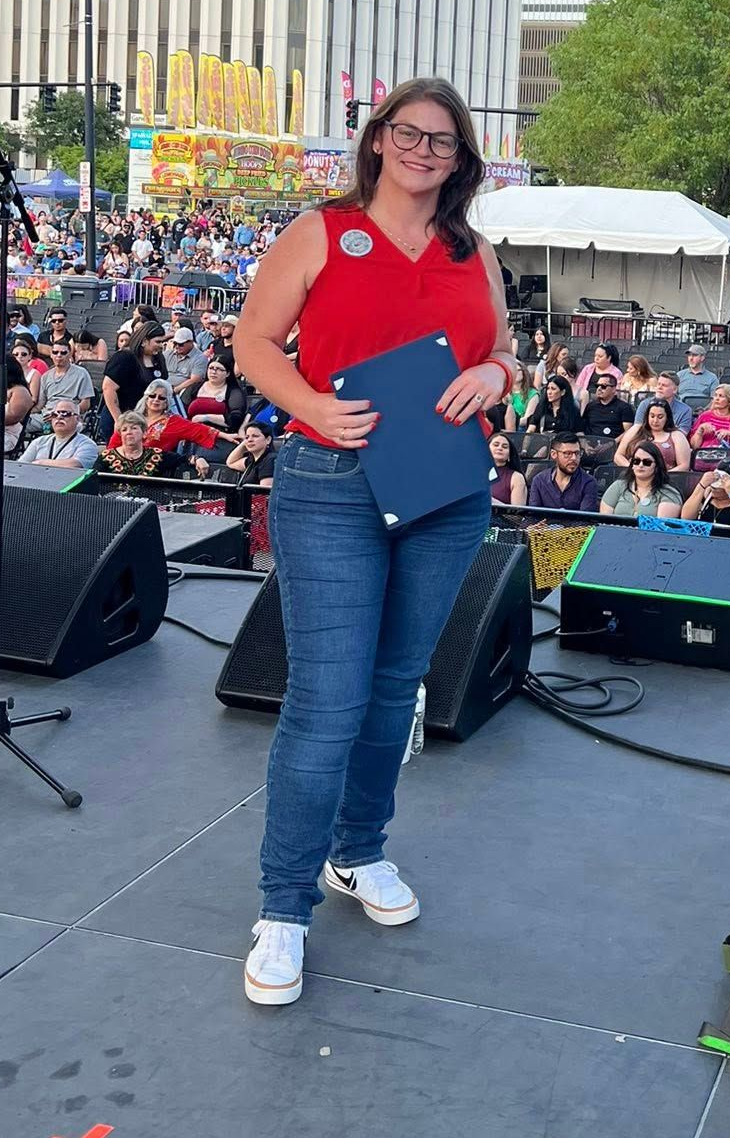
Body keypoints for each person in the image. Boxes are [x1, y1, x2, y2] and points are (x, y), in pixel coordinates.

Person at [229, 76, 517, 1009]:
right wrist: (309, 403)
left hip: (443, 489)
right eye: (409, 132)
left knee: (397, 686)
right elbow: (254, 343)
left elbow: (507, 347)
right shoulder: (320, 230)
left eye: (442, 139)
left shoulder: (477, 254)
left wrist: (495, 374)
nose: (424, 149)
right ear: (379, 138)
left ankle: (359, 850)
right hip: (331, 483)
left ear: (461, 158)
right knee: (327, 696)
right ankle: (284, 905)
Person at [124, 379, 231, 478]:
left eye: (161, 398)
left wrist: (226, 435)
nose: (156, 400)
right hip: (124, 464)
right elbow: (116, 442)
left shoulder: (174, 421)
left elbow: (199, 429)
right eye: (152, 396)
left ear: (167, 403)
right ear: (146, 398)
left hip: (154, 470)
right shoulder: (132, 418)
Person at [101, 320, 169, 441]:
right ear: (144, 341)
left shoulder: (159, 359)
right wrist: (119, 420)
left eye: (163, 342)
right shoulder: (124, 357)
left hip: (144, 420)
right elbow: (108, 388)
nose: (161, 345)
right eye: (158, 341)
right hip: (121, 415)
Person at [599, 439, 682, 519]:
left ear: (657, 466)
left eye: (647, 462)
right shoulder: (618, 486)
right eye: (636, 461)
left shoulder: (669, 493)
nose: (641, 465)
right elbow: (605, 521)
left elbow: (660, 529)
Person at [614, 397, 692, 472]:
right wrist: (632, 469)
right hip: (633, 475)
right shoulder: (636, 429)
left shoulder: (677, 435)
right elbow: (618, 456)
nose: (655, 420)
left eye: (660, 417)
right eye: (652, 416)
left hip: (665, 480)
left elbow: (684, 466)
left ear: (667, 418)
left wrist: (661, 476)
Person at [528, 430, 600, 511]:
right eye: (567, 453)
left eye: (577, 453)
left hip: (577, 524)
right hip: (544, 523)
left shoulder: (588, 482)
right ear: (554, 454)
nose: (574, 458)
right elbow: (533, 516)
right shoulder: (539, 480)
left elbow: (585, 519)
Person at [19, 403, 101, 470]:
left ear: (78, 419)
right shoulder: (39, 441)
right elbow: (20, 466)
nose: (59, 417)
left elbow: (75, 465)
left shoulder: (87, 444)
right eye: (54, 414)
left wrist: (40, 463)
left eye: (66, 414)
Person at [680, 462, 730, 529]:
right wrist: (701, 485)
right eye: (712, 487)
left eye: (717, 488)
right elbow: (686, 517)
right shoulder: (707, 492)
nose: (713, 490)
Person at [99, 409, 177, 478]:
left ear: (144, 433)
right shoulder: (106, 457)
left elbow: (182, 462)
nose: (129, 432)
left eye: (134, 428)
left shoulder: (157, 455)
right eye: (124, 430)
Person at [179, 357, 250, 433]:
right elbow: (180, 411)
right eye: (211, 368)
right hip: (191, 431)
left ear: (228, 373)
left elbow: (236, 419)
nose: (213, 372)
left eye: (219, 369)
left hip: (221, 434)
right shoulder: (194, 388)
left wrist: (206, 417)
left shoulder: (234, 392)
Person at [688, 384, 730, 465]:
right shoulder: (705, 416)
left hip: (728, 462)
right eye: (715, 395)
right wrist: (699, 431)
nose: (717, 399)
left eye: (721, 396)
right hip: (704, 459)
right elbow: (694, 446)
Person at [40, 339, 94, 417]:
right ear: (51, 355)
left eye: (63, 353)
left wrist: (68, 413)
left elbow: (86, 403)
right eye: (55, 352)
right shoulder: (45, 376)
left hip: (69, 415)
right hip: (47, 415)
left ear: (69, 354)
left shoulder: (82, 373)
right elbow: (40, 404)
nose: (59, 355)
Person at [219, 420, 278, 488]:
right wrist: (245, 443)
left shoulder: (270, 460)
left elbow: (264, 494)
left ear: (268, 440)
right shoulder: (252, 460)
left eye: (255, 436)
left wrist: (248, 440)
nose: (250, 440)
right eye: (247, 437)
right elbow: (231, 462)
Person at [580, 371, 634, 439]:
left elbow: (628, 432)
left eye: (603, 386)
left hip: (615, 446)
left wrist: (612, 443)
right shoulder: (590, 406)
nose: (599, 389)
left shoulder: (624, 407)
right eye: (597, 386)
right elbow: (582, 427)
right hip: (590, 444)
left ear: (614, 389)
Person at [165, 327, 209, 392]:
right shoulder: (168, 354)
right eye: (175, 343)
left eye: (180, 344)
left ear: (191, 342)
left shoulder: (200, 358)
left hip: (183, 391)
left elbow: (195, 380)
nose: (177, 346)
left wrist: (175, 390)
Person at [677, 344, 719, 412]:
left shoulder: (712, 378)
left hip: (702, 413)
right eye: (689, 355)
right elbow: (672, 396)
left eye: (694, 355)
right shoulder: (679, 375)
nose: (691, 358)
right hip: (681, 412)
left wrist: (705, 411)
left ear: (702, 358)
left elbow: (714, 399)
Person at [487, 431, 525, 504]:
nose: (500, 448)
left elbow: (517, 513)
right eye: (496, 445)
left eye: (505, 447)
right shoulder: (475, 472)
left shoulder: (516, 477)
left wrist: (487, 500)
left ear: (509, 455)